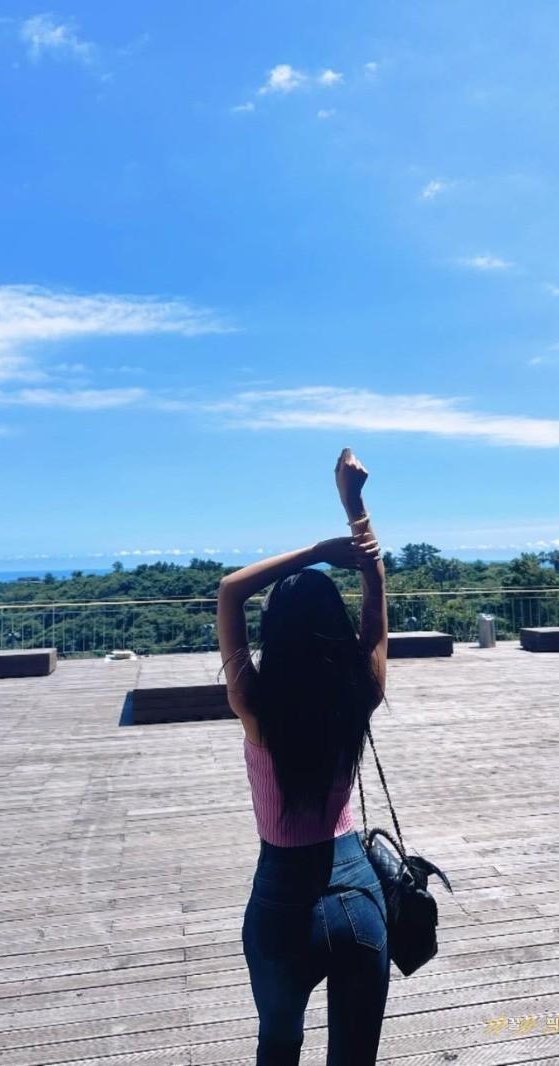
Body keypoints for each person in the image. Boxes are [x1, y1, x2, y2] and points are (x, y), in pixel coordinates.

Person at [216, 447, 390, 1066]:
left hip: (281, 899)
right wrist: (354, 506)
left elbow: (230, 591)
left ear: (276, 632)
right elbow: (375, 598)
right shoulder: (361, 691)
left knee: (279, 1044)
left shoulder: (255, 704)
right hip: (358, 894)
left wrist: (316, 552)